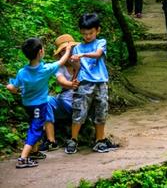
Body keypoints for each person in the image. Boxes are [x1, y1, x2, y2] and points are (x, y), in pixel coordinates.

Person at [6, 37, 72, 168]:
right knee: (35, 129)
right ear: (41, 52)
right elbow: (61, 61)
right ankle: (23, 158)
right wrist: (68, 50)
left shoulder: (22, 72)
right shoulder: (46, 69)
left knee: (34, 124)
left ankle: (35, 152)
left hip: (27, 105)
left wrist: (9, 87)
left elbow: (14, 88)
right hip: (39, 105)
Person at [65, 13, 118, 154]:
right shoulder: (77, 48)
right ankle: (73, 140)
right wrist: (74, 76)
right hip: (84, 83)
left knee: (101, 110)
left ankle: (99, 140)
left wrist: (82, 55)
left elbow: (98, 54)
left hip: (100, 82)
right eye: (84, 33)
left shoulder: (101, 43)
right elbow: (77, 67)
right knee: (79, 110)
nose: (87, 36)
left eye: (90, 33)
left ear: (97, 30)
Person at [40, 34, 80, 152]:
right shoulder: (59, 67)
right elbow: (61, 81)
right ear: (60, 54)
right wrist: (71, 84)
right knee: (46, 100)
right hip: (65, 104)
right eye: (64, 51)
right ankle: (51, 141)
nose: (69, 53)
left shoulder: (83, 63)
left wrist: (77, 68)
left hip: (81, 103)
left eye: (71, 49)